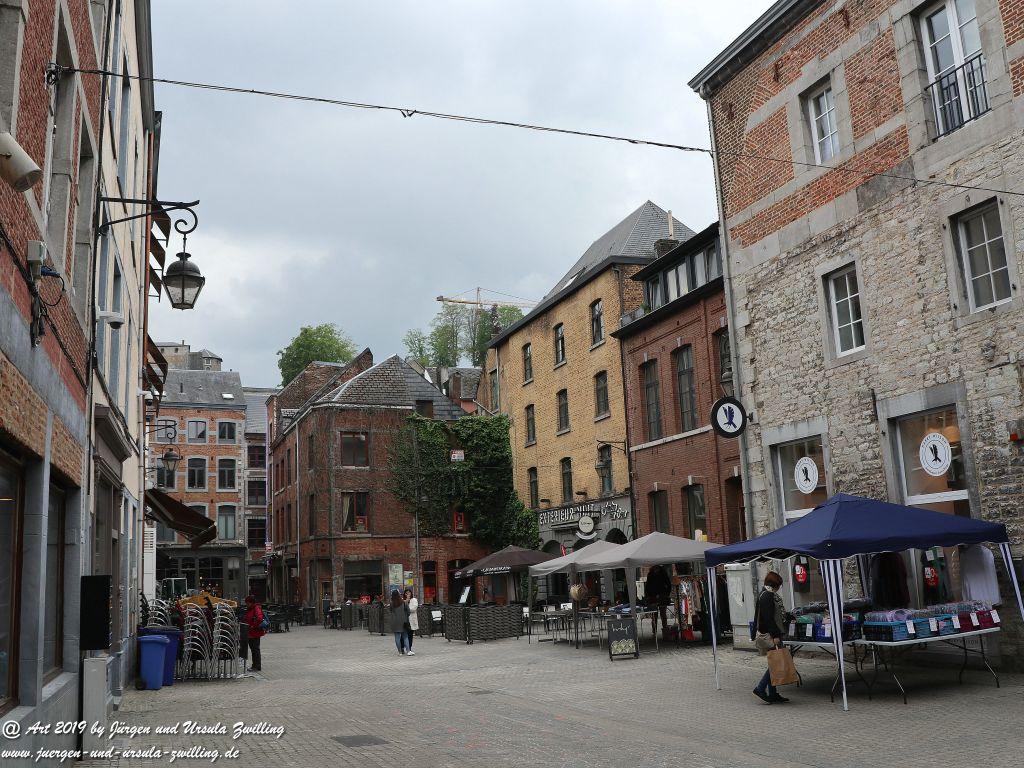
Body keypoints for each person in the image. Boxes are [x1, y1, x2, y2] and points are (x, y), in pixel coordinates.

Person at [752, 571, 789, 704]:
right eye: (778, 585)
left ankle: (773, 693)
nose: (779, 588)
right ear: (774, 585)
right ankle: (760, 688)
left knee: (774, 662)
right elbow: (768, 619)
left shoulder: (765, 594)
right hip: (771, 634)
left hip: (771, 633)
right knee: (776, 663)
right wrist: (776, 636)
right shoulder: (767, 596)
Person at [645, 565, 671, 638]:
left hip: (662, 597)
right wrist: (648, 596)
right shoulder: (650, 574)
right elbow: (647, 586)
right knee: (654, 616)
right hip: (653, 598)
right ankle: (654, 632)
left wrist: (666, 594)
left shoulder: (663, 573)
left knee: (663, 615)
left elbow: (668, 584)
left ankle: (665, 631)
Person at [243, 595, 267, 672]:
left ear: (251, 602)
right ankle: (255, 665)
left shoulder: (256, 608)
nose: (246, 604)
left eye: (247, 603)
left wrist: (253, 626)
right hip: (251, 633)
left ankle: (257, 666)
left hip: (255, 633)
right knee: (254, 649)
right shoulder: (250, 609)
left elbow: (259, 618)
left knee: (255, 649)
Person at [388, 590, 410, 656]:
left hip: (395, 622)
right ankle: (408, 651)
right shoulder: (403, 602)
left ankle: (400, 652)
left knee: (397, 637)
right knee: (405, 636)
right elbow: (408, 611)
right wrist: (406, 617)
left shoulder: (391, 603)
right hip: (403, 621)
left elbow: (391, 611)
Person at [403, 589, 419, 655]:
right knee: (403, 635)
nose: (407, 594)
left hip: (411, 620)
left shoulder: (414, 600)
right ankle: (402, 647)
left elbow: (414, 608)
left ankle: (409, 648)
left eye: (409, 593)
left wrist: (407, 607)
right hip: (404, 620)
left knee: (410, 635)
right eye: (406, 593)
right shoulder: (403, 600)